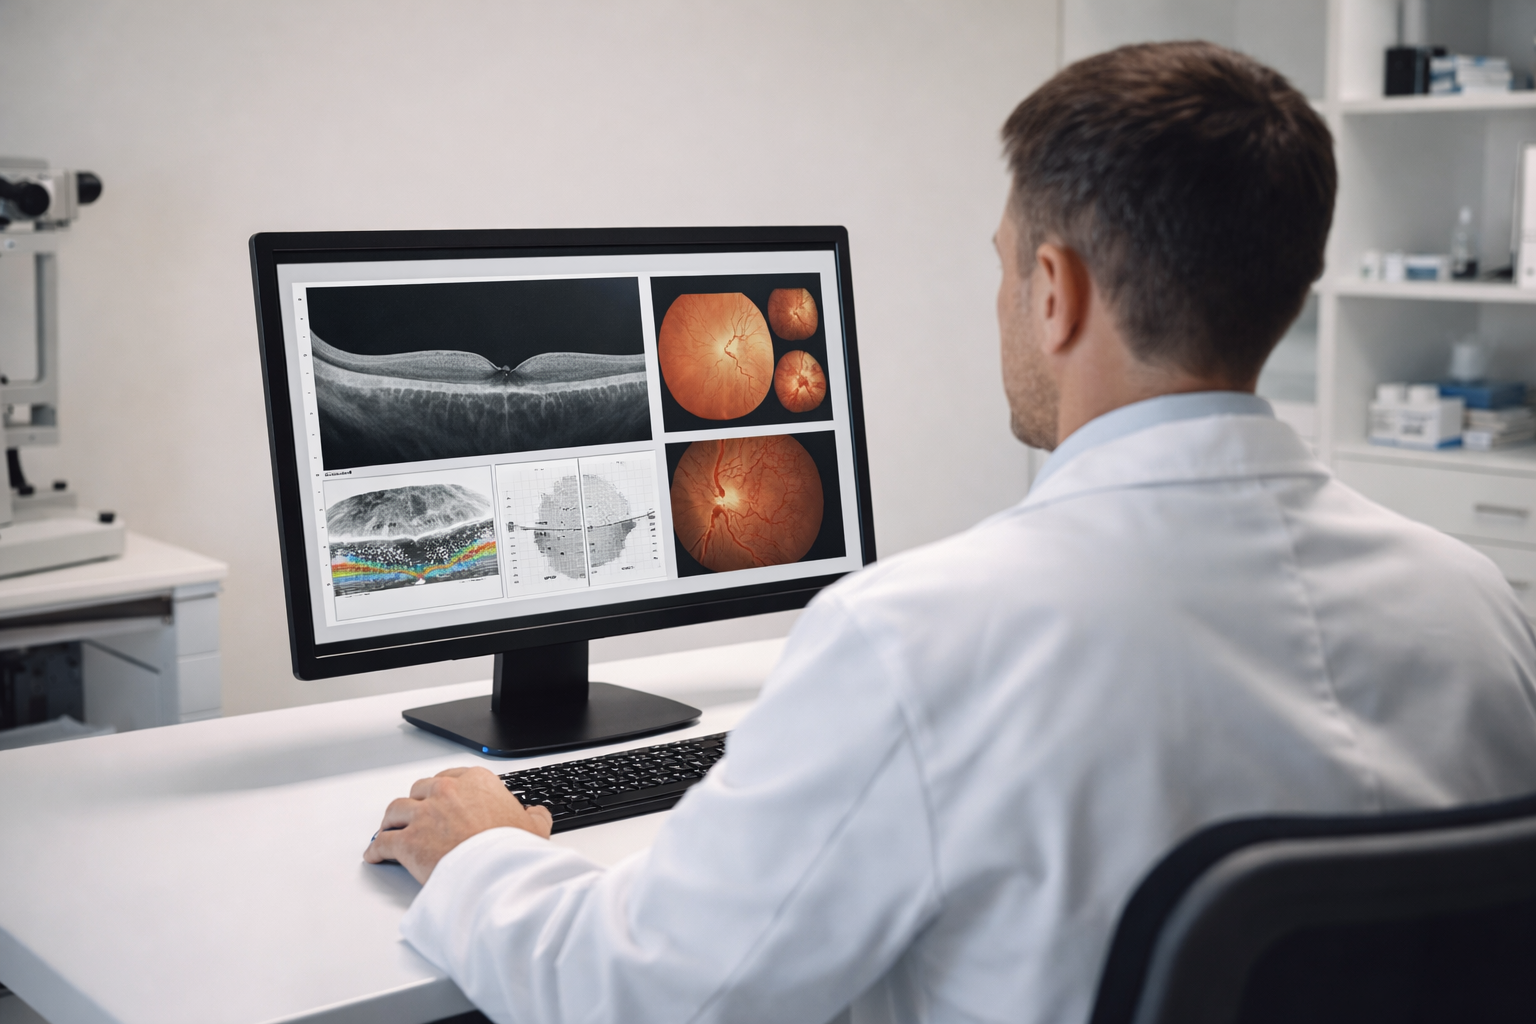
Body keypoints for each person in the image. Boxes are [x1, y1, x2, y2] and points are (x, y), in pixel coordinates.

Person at [365, 41, 1536, 1024]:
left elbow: (650, 991)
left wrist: (475, 852)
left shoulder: (921, 638)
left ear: (1053, 289)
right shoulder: (1474, 606)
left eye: (999, 270)